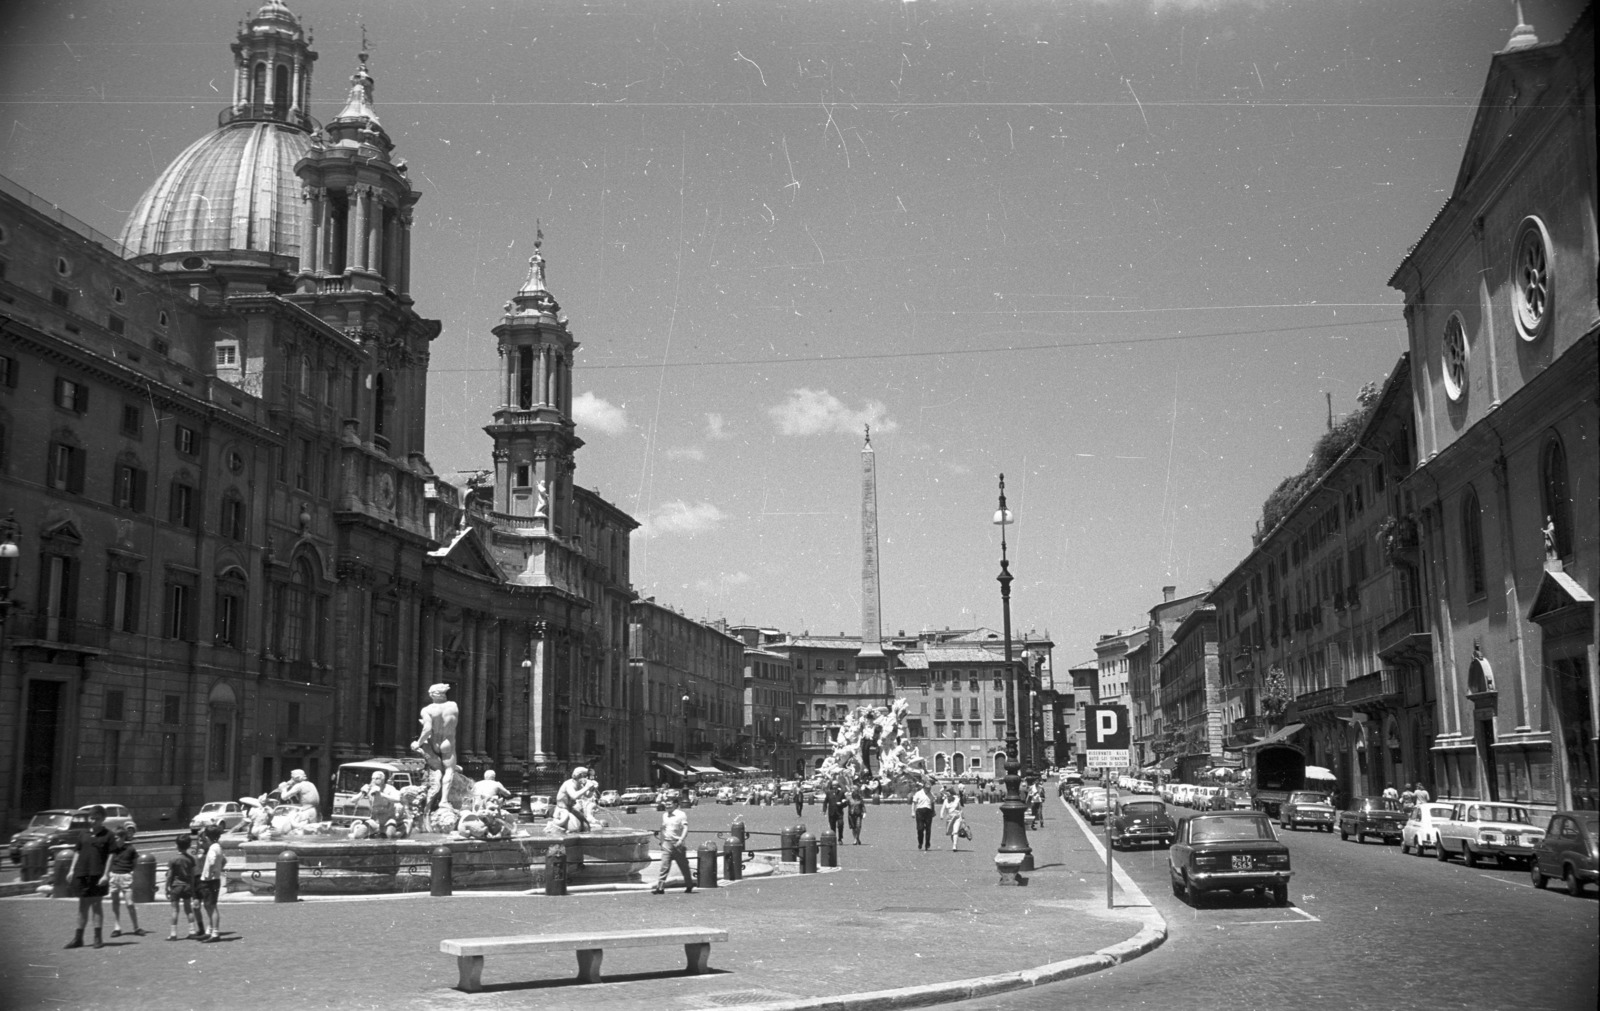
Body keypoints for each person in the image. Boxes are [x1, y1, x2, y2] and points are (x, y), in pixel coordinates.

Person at [64, 805, 119, 949]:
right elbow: (77, 852)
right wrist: (71, 870)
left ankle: (97, 938)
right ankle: (78, 938)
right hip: (82, 873)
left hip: (98, 874)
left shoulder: (109, 835)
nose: (93, 821)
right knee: (82, 906)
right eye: (91, 818)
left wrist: (106, 874)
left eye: (97, 818)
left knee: (96, 905)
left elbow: (111, 856)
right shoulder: (83, 834)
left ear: (103, 819)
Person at [412, 683, 461, 808]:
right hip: (447, 743)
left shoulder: (427, 710)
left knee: (436, 770)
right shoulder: (453, 706)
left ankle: (432, 797)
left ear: (431, 695)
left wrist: (418, 743)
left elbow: (427, 729)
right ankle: (443, 800)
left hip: (434, 743)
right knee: (449, 770)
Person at [650, 791, 694, 895]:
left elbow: (685, 827)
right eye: (666, 804)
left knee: (683, 866)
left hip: (677, 844)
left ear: (675, 805)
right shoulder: (665, 815)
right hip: (667, 843)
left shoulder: (681, 814)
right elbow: (663, 828)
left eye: (669, 804)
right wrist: (661, 841)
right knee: (664, 866)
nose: (667, 806)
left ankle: (689, 885)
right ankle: (660, 888)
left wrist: (681, 840)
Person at [105, 824, 143, 937]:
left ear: (122, 838)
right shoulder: (112, 850)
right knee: (115, 902)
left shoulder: (130, 849)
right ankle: (117, 927)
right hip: (114, 876)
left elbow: (136, 862)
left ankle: (136, 927)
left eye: (116, 838)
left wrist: (131, 872)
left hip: (126, 876)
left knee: (130, 903)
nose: (114, 840)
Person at [197, 824, 227, 942]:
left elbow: (212, 861)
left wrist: (210, 874)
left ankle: (215, 932)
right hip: (214, 879)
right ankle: (210, 930)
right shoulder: (218, 846)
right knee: (208, 905)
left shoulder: (212, 848)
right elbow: (224, 860)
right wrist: (219, 870)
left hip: (210, 880)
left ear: (208, 837)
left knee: (212, 906)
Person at [166, 834, 199, 941]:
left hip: (176, 886)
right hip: (187, 886)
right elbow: (192, 876)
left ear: (177, 845)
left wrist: (167, 887)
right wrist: (193, 890)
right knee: (188, 910)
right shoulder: (191, 859)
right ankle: (192, 931)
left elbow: (170, 875)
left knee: (175, 910)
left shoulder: (173, 859)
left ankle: (173, 933)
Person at [360, 770, 405, 837]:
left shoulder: (390, 789)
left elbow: (397, 799)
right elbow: (353, 800)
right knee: (358, 834)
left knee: (391, 835)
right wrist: (362, 792)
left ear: (383, 780)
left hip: (388, 820)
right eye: (373, 778)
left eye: (377, 778)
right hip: (374, 821)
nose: (374, 780)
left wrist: (381, 794)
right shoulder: (369, 788)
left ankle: (401, 833)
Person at [554, 766, 594, 833]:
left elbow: (588, 795)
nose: (587, 778)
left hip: (571, 809)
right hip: (563, 810)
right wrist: (587, 787)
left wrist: (592, 789)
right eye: (585, 776)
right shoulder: (569, 784)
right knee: (575, 828)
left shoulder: (579, 784)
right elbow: (574, 796)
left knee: (586, 826)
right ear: (579, 775)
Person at [912, 781, 935, 851]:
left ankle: (927, 844)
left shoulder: (931, 795)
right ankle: (920, 842)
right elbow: (914, 803)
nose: (928, 790)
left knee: (928, 829)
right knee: (920, 828)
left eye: (929, 788)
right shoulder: (918, 793)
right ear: (924, 787)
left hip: (928, 811)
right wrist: (912, 812)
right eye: (927, 788)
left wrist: (933, 811)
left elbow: (932, 803)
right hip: (920, 811)